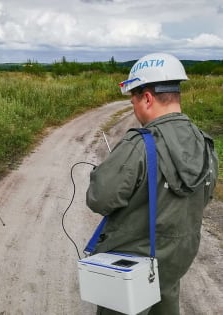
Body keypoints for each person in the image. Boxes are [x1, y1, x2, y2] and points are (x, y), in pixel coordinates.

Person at [85, 52, 219, 315]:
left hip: (133, 268)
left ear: (146, 97)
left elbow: (99, 198)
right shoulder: (204, 142)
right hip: (175, 261)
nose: (134, 108)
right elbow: (204, 197)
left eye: (133, 99)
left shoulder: (139, 144)